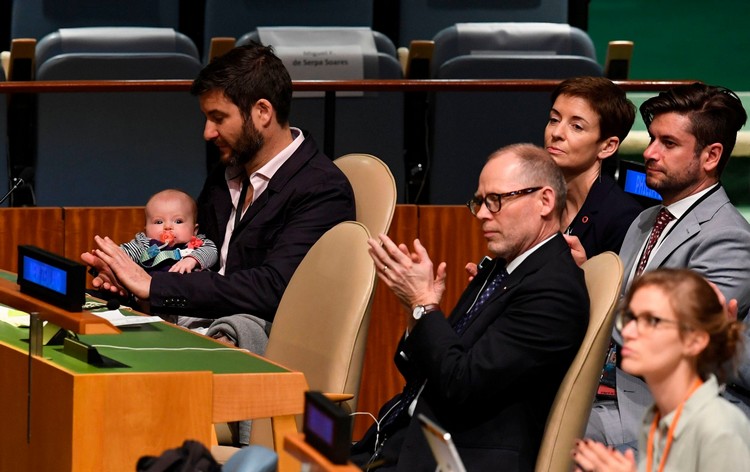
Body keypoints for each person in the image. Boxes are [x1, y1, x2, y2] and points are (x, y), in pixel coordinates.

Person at [81, 43, 355, 353]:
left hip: (252, 347)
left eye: (218, 117)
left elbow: (273, 288)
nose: (208, 132)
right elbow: (199, 254)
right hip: (191, 327)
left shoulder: (322, 189)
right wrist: (134, 280)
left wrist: (155, 286)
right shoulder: (227, 172)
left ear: (262, 112)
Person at [351, 143, 589, 472]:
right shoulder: (502, 268)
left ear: (545, 201)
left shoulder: (553, 292)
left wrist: (424, 304)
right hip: (404, 437)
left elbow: (460, 385)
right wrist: (416, 312)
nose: (481, 214)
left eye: (496, 200)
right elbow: (427, 372)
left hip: (459, 458)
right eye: (479, 201)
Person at [566, 82, 750, 452]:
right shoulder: (647, 219)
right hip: (604, 384)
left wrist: (589, 289)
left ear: (711, 156)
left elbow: (668, 339)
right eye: (651, 139)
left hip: (655, 404)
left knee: (551, 433)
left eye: (668, 143)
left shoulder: (729, 239)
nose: (649, 152)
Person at [572, 269, 750, 472]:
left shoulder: (719, 429)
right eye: (629, 318)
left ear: (695, 340)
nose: (628, 332)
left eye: (652, 321)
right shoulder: (659, 415)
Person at [545, 76, 642, 256]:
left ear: (607, 146)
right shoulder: (537, 198)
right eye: (554, 119)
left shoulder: (623, 219)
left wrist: (584, 274)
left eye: (576, 126)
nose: (556, 133)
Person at [118, 189, 217, 275]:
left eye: (178, 221)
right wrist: (111, 256)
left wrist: (192, 259)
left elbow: (212, 252)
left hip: (188, 290)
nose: (168, 227)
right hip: (151, 289)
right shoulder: (145, 245)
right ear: (146, 229)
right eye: (159, 222)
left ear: (194, 230)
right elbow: (123, 254)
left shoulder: (197, 244)